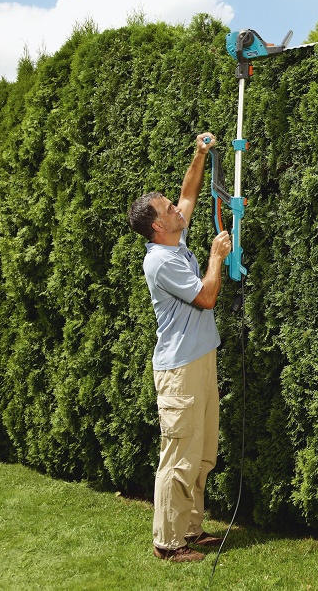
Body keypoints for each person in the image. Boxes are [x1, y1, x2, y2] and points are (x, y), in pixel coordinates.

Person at [127, 132, 234, 563]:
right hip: (179, 370)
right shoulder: (161, 260)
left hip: (200, 359)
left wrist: (199, 153)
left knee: (201, 451)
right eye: (168, 209)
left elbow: (189, 193)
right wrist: (216, 257)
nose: (177, 208)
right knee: (178, 455)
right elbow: (206, 297)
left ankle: (191, 528)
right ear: (158, 226)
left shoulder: (174, 238)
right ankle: (167, 543)